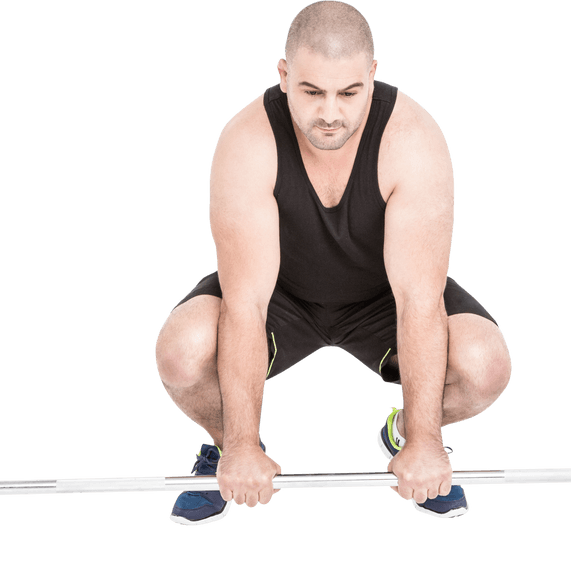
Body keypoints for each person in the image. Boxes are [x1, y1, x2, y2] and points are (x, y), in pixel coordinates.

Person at [154, 0, 512, 527]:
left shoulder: (412, 140)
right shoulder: (247, 143)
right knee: (181, 352)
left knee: (485, 366)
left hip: (382, 300)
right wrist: (244, 445)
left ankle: (404, 433)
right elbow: (247, 303)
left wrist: (425, 442)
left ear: (372, 74)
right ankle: (221, 454)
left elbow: (418, 298)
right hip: (278, 298)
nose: (330, 112)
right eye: (311, 91)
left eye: (348, 92)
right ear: (283, 76)